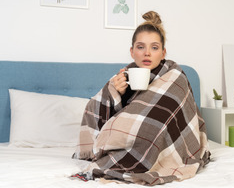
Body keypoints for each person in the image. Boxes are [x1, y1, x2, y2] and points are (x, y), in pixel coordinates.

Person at [72, 11, 210, 185]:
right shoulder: (122, 76)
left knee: (153, 124)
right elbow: (95, 109)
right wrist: (115, 93)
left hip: (164, 143)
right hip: (129, 143)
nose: (147, 53)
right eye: (140, 47)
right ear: (132, 51)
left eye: (154, 47)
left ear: (163, 52)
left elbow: (165, 118)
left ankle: (145, 157)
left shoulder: (175, 76)